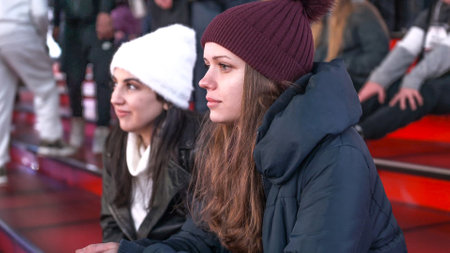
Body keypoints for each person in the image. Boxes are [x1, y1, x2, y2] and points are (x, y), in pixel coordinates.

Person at [77, 0, 407, 252]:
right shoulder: (227, 139)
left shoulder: (337, 157)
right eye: (207, 65)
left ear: (267, 78)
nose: (205, 81)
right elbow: (201, 242)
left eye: (224, 67)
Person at [98, 24, 199, 243]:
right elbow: (111, 221)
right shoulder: (116, 142)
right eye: (115, 84)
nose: (115, 98)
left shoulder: (199, 146)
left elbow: (200, 241)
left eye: (131, 86)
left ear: (166, 97)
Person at [0, 0, 74, 185]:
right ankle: (51, 140)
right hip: (19, 31)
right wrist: (42, 37)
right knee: (46, 86)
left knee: (1, 98)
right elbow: (40, 13)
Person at [357, 0, 450, 140]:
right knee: (385, 88)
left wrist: (412, 81)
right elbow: (406, 49)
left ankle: (360, 132)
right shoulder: (433, 12)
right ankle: (340, 126)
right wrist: (378, 80)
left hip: (440, 86)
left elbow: (445, 53)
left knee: (420, 93)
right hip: (430, 79)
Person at [53, 0, 116, 153]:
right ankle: (77, 126)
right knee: (72, 81)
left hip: (95, 21)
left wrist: (105, 11)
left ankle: (102, 129)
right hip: (70, 26)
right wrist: (55, 21)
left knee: (102, 78)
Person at [312, 0, 390, 91]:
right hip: (327, 78)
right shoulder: (318, 13)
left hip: (354, 83)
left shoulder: (360, 11)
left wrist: (343, 64)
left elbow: (378, 55)